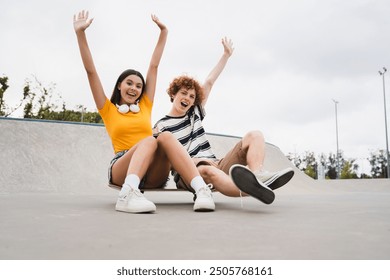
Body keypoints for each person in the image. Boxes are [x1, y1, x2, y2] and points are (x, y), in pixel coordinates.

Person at [73, 10, 215, 213]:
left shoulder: (145, 106)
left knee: (164, 136)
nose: (134, 88)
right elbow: (91, 72)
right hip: (122, 167)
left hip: (153, 173)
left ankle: (201, 190)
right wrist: (80, 34)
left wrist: (164, 32)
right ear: (120, 85)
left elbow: (154, 66)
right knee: (149, 140)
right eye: (129, 83)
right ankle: (127, 194)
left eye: (139, 86)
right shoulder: (108, 109)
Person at [153, 37, 294, 204]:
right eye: (183, 93)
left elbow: (209, 82)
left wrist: (226, 55)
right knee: (206, 169)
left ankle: (258, 175)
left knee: (255, 135)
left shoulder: (194, 113)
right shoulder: (161, 126)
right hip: (189, 174)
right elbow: (163, 161)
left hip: (217, 164)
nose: (188, 99)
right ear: (173, 94)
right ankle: (252, 189)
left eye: (192, 96)